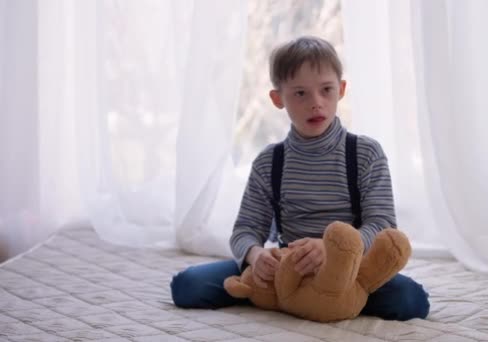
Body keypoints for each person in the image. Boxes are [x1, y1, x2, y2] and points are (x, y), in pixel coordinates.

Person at [171, 36, 429, 321]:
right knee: (187, 287)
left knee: (411, 301)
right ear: (278, 98)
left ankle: (331, 298)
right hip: (289, 269)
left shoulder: (365, 153)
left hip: (349, 267)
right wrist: (257, 257)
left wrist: (331, 251)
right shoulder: (270, 161)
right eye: (300, 94)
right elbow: (244, 231)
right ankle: (290, 296)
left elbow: (381, 226)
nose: (316, 103)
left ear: (341, 90)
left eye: (326, 90)